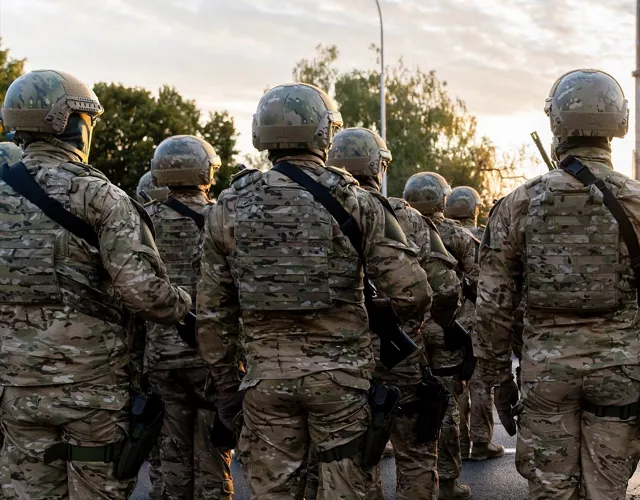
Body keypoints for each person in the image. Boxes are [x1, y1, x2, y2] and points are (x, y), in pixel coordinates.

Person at [196, 83, 433, 500]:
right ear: (325, 132)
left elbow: (213, 314)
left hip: (266, 382)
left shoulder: (228, 206)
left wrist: (227, 384)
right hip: (341, 383)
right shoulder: (357, 201)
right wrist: (371, 329)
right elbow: (413, 293)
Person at [475, 68, 640, 499]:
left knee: (551, 490)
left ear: (556, 123)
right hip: (617, 368)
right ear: (618, 124)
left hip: (545, 373)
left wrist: (498, 379)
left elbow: (492, 307)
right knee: (607, 490)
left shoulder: (519, 203)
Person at [0, 69, 193, 499]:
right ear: (69, 121)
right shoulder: (100, 196)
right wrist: (184, 304)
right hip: (91, 391)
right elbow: (144, 294)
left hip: (16, 388)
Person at [327, 126, 462, 499]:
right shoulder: (405, 216)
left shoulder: (307, 210)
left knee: (346, 456)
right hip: (396, 352)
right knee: (415, 448)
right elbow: (445, 286)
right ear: (378, 167)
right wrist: (429, 325)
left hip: (334, 355)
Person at [143, 135, 233, 499]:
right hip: (211, 356)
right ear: (206, 172)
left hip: (161, 356)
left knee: (172, 457)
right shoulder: (219, 217)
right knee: (213, 457)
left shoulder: (145, 219)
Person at [404, 171, 479, 499]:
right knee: (447, 403)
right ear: (442, 200)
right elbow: (476, 281)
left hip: (406, 330)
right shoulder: (458, 234)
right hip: (446, 328)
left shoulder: (396, 227)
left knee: (407, 403)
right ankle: (447, 481)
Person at [445, 185, 506, 463]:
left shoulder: (439, 234)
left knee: (455, 380)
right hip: (480, 318)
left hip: (450, 320)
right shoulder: (484, 237)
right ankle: (481, 442)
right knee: (481, 382)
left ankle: (458, 440)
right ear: (475, 209)